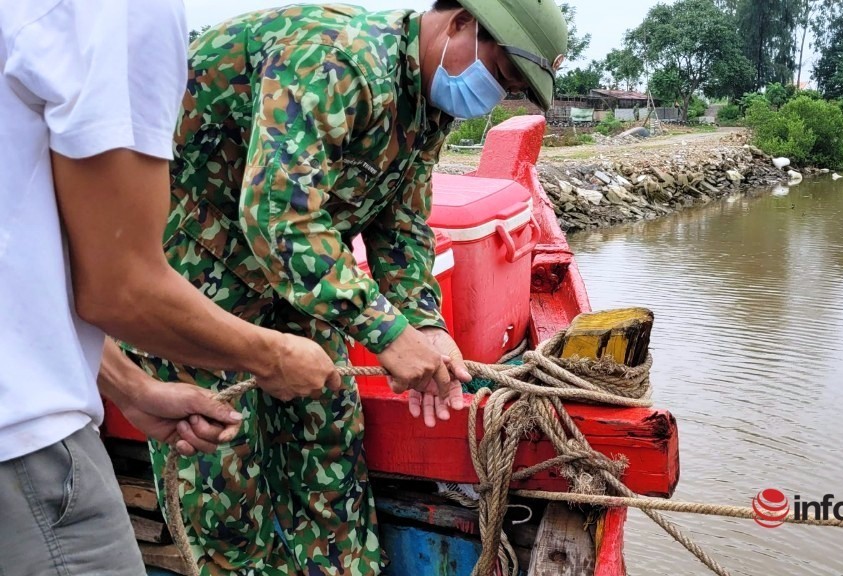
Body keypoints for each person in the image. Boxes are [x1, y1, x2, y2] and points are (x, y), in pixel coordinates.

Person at [129, 0, 567, 573]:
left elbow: (401, 223)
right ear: (459, 22)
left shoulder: (425, 97)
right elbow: (280, 217)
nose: (493, 95)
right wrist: (385, 332)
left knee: (329, 440)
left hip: (295, 279)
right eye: (501, 76)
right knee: (224, 481)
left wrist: (423, 324)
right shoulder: (339, 59)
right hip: (193, 275)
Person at [0, 1, 345, 574]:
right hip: (23, 451)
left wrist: (132, 387)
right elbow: (121, 289)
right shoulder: (121, 11)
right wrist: (274, 356)